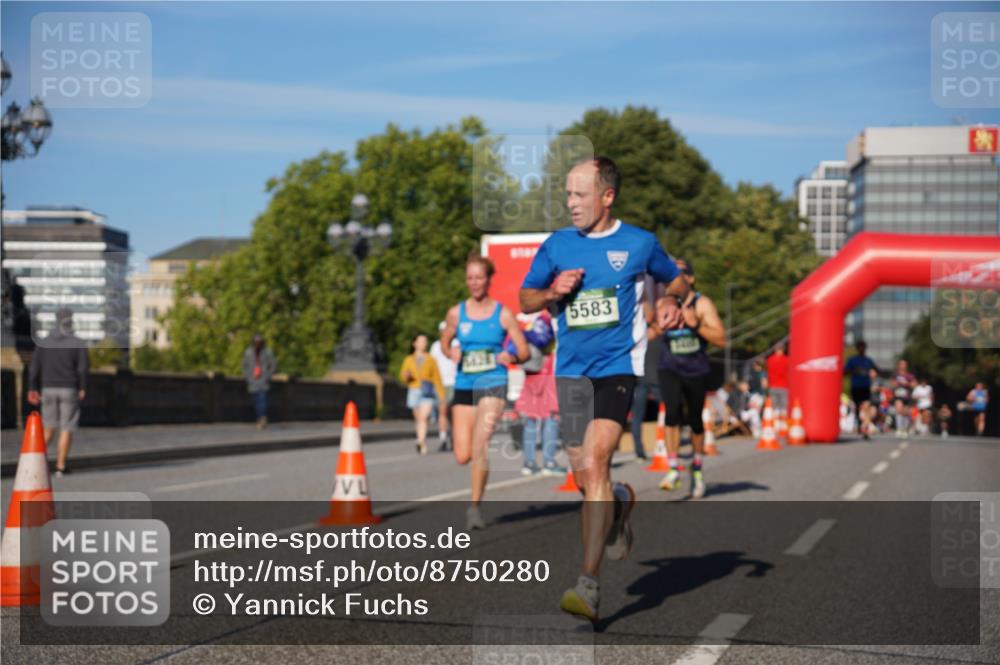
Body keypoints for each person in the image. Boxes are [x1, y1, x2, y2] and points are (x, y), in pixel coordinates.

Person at [520, 156, 688, 623]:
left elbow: (673, 277)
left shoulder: (638, 243)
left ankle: (588, 585)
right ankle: (618, 505)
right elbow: (525, 297)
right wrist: (553, 291)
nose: (571, 203)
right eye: (568, 194)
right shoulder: (557, 245)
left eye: (580, 195)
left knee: (596, 463)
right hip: (570, 370)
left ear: (607, 197)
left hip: (617, 367)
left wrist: (673, 298)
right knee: (581, 473)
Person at [441, 253, 529, 529]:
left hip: (493, 382)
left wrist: (511, 357)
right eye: (470, 278)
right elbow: (445, 343)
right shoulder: (456, 313)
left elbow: (524, 351)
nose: (474, 283)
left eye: (479, 277)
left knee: (480, 447)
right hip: (465, 383)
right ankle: (475, 502)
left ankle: (475, 507)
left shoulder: (503, 314)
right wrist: (451, 350)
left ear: (489, 279)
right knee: (462, 454)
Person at [657, 258, 726, 498]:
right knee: (672, 413)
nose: (676, 278)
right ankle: (673, 467)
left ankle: (696, 467)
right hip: (669, 367)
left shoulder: (702, 303)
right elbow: (650, 330)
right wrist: (658, 326)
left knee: (695, 421)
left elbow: (721, 339)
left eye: (682, 273)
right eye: (672, 274)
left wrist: (696, 325)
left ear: (691, 278)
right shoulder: (663, 303)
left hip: (695, 369)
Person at [27, 309, 88, 477]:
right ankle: (60, 466)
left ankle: (34, 464)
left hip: (47, 388)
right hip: (69, 388)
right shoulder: (77, 342)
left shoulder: (44, 342)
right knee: (66, 428)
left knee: (48, 429)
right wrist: (82, 387)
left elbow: (34, 368)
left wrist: (32, 388)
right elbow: (82, 369)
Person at [513, 312, 565, 476]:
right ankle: (549, 461)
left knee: (530, 418)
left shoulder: (528, 321)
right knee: (551, 417)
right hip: (549, 370)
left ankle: (529, 462)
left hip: (532, 371)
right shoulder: (551, 319)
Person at [399, 334, 446, 455]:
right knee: (418, 418)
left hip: (427, 391)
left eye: (425, 341)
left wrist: (441, 394)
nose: (423, 343)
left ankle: (420, 440)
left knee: (423, 417)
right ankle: (422, 441)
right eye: (421, 341)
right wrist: (407, 376)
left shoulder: (431, 359)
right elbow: (403, 376)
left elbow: (437, 377)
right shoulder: (409, 359)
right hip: (414, 389)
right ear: (414, 343)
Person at [629, 299, 663, 461]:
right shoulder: (640, 332)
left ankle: (655, 448)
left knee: (661, 413)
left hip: (650, 379)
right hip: (645, 379)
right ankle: (641, 451)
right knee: (640, 415)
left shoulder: (648, 331)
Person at [430, 321, 458, 452]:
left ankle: (454, 438)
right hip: (441, 383)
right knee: (442, 411)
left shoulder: (457, 344)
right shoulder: (435, 346)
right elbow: (432, 364)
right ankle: (443, 439)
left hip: (455, 382)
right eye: (443, 331)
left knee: (453, 414)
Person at [242, 334, 277, 429]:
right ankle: (259, 418)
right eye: (256, 342)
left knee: (263, 401)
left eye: (259, 342)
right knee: (255, 402)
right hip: (252, 381)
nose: (258, 344)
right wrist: (248, 377)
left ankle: (262, 418)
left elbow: (273, 365)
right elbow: (245, 366)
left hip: (263, 381)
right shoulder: (248, 352)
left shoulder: (267, 352)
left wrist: (267, 376)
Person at [844, 341, 878, 421]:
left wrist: (874, 373)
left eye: (863, 347)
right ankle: (859, 421)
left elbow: (876, 370)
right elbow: (845, 372)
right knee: (857, 406)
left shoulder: (868, 361)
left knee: (866, 405)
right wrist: (855, 371)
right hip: (856, 387)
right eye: (860, 347)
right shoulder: (853, 360)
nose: (861, 349)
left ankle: (865, 424)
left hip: (865, 387)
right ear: (857, 349)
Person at [892, 359, 916, 437]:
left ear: (906, 366)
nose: (902, 366)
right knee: (898, 409)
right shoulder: (896, 375)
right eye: (901, 364)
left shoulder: (909, 375)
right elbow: (892, 384)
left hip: (906, 396)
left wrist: (907, 383)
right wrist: (897, 383)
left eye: (904, 364)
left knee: (905, 413)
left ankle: (905, 429)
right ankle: (899, 429)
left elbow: (914, 384)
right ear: (899, 365)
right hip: (898, 395)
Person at [765, 343, 790, 416]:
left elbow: (768, 371)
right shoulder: (787, 360)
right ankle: (782, 425)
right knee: (783, 408)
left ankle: (775, 425)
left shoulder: (770, 360)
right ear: (783, 350)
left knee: (775, 408)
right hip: (784, 386)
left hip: (773, 386)